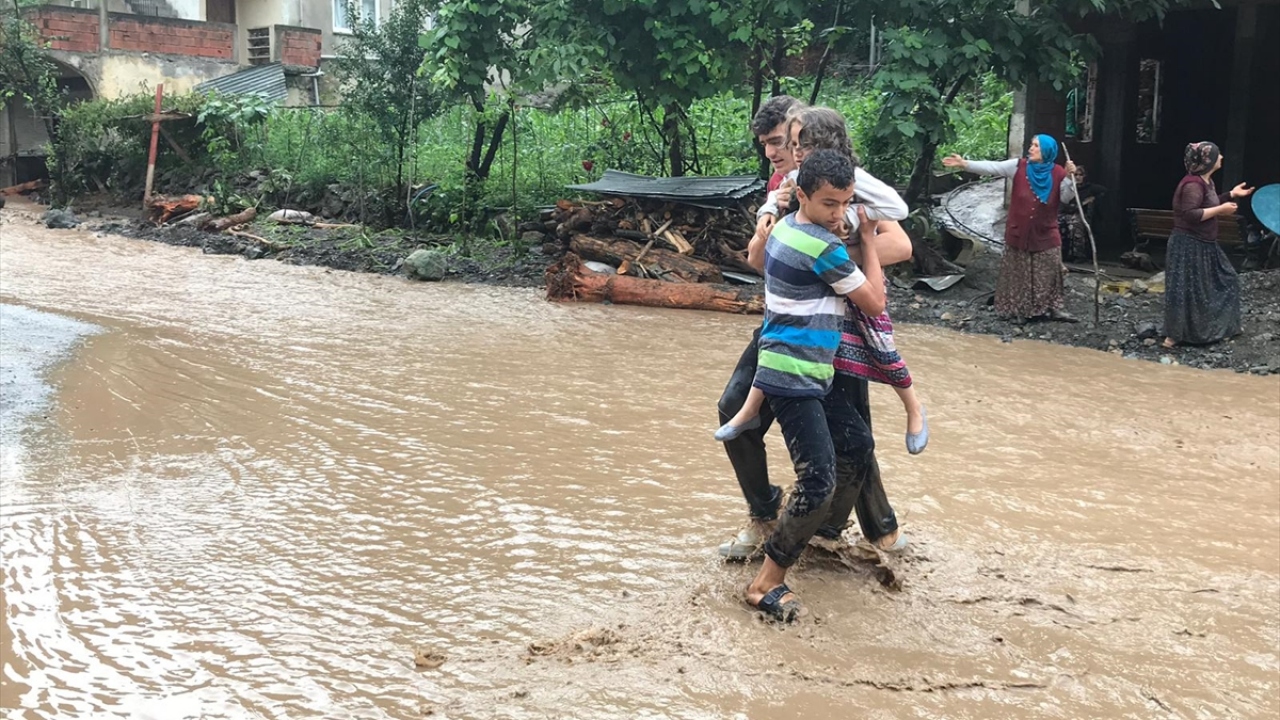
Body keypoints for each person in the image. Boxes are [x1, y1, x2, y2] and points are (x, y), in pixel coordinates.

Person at [716, 100, 911, 563]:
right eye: (769, 144)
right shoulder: (787, 187)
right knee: (734, 409)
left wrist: (833, 262)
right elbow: (758, 260)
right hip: (786, 322)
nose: (778, 152)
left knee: (852, 434)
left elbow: (900, 242)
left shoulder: (843, 186)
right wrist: (772, 233)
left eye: (783, 142)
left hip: (839, 322)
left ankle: (850, 529)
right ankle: (766, 515)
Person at [744, 149, 887, 622]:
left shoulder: (785, 227)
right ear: (801, 194)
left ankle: (805, 534)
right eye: (829, 203)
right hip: (794, 375)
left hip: (809, 371)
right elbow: (873, 301)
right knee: (819, 477)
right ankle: (766, 581)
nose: (839, 214)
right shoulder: (820, 246)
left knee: (857, 443)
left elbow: (759, 260)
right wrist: (867, 238)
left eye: (846, 203)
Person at [942, 135, 1079, 322]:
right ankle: (1020, 310)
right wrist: (964, 164)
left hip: (1046, 232)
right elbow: (992, 167)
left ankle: (1053, 308)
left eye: (1036, 146)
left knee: (1050, 270)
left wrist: (1070, 178)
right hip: (1019, 231)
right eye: (1032, 145)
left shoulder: (1057, 173)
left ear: (1047, 151)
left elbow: (1065, 197)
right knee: (1019, 272)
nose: (1031, 149)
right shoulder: (1018, 166)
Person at [1162, 141, 1254, 348]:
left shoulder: (1206, 182)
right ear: (1208, 160)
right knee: (1186, 290)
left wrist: (1230, 195)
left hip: (1204, 244)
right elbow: (1190, 214)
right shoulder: (1193, 184)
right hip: (1188, 244)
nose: (1221, 157)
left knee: (1220, 282)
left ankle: (1208, 330)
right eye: (1218, 154)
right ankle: (1175, 335)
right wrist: (1221, 210)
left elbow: (1208, 204)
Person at [1058, 164, 1104, 264]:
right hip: (1066, 212)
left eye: (1080, 175)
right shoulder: (1068, 187)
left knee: (1076, 223)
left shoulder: (1089, 188)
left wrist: (1091, 200)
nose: (1078, 177)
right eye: (1075, 175)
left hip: (1081, 214)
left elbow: (1104, 191)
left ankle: (1078, 254)